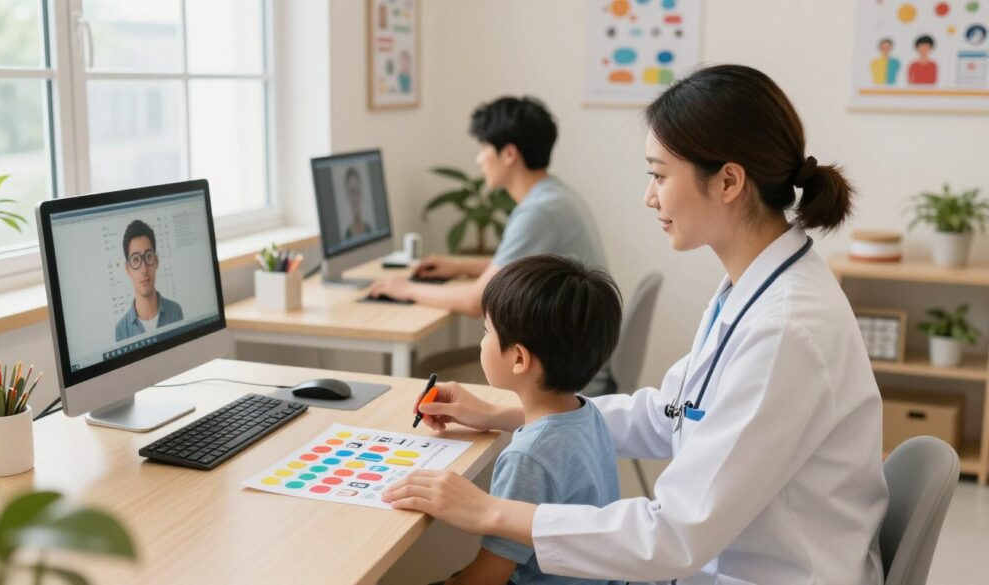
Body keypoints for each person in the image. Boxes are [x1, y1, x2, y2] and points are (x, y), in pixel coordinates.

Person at [383, 64, 889, 585]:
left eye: (659, 174)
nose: (650, 197)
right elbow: (670, 415)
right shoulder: (755, 288)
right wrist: (508, 410)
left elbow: (672, 537)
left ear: (730, 181)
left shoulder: (785, 330)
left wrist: (488, 512)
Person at [368, 96, 612, 394]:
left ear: (509, 154)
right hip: (574, 356)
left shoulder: (539, 211)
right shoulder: (552, 195)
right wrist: (459, 266)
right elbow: (523, 266)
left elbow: (476, 301)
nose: (479, 159)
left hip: (567, 378)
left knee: (428, 372)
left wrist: (405, 288)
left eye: (484, 148)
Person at [432, 255, 623, 585]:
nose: (482, 341)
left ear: (519, 358)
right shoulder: (585, 412)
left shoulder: (527, 458)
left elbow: (489, 576)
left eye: (486, 331)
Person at [115, 220, 184, 342]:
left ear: (156, 261)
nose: (144, 269)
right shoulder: (121, 330)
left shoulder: (175, 311)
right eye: (136, 260)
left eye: (148, 257)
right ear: (128, 269)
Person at [343, 167, 373, 240]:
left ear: (361, 194)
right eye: (352, 192)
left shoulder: (370, 230)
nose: (355, 199)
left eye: (356, 191)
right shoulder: (347, 235)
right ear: (348, 196)